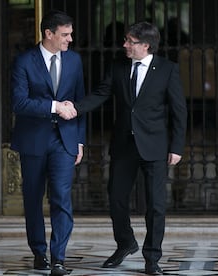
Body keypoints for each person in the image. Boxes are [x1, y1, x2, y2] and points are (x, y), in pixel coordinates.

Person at [61, 21, 187, 275]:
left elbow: (179, 111)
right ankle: (126, 243)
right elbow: (100, 94)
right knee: (116, 199)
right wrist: (74, 107)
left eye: (130, 41)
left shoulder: (167, 69)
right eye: (126, 40)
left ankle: (152, 258)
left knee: (156, 206)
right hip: (123, 146)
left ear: (146, 45)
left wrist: (177, 146)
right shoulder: (118, 67)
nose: (124, 45)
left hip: (155, 145)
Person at [10, 10, 86, 276]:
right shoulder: (23, 61)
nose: (70, 39)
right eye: (65, 35)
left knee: (62, 198)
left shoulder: (75, 61)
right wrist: (55, 106)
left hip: (64, 140)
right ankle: (39, 253)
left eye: (70, 34)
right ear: (49, 34)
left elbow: (79, 102)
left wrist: (80, 141)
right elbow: (19, 103)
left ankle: (59, 258)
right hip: (33, 140)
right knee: (32, 199)